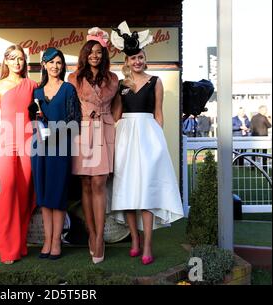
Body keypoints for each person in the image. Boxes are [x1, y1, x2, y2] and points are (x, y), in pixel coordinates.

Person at [109, 21, 184, 265]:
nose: (137, 62)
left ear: (145, 58)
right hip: (126, 138)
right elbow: (117, 115)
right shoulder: (122, 85)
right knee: (128, 190)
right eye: (133, 59)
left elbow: (159, 114)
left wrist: (158, 145)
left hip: (149, 138)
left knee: (147, 192)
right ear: (127, 62)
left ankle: (148, 243)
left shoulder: (156, 81)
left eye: (141, 57)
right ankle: (134, 239)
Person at [67, 27, 119, 264]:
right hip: (83, 130)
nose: (95, 55)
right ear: (85, 54)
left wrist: (115, 123)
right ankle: (92, 233)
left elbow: (118, 105)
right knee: (86, 184)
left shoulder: (113, 79)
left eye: (99, 52)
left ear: (104, 54)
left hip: (104, 130)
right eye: (91, 51)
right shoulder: (73, 78)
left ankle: (99, 239)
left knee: (99, 182)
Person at [28, 48, 81, 260]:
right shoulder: (37, 93)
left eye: (59, 62)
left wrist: (57, 131)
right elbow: (33, 121)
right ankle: (47, 241)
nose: (55, 66)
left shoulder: (68, 89)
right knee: (44, 197)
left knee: (57, 196)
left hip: (60, 149)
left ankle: (57, 241)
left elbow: (75, 122)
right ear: (44, 64)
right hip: (40, 149)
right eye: (51, 62)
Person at [0, 45, 38, 264]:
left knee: (26, 192)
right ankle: (8, 250)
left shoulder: (32, 85)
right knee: (8, 191)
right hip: (5, 143)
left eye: (21, 59)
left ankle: (20, 244)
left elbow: (38, 115)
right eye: (13, 59)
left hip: (28, 142)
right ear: (6, 61)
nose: (17, 62)